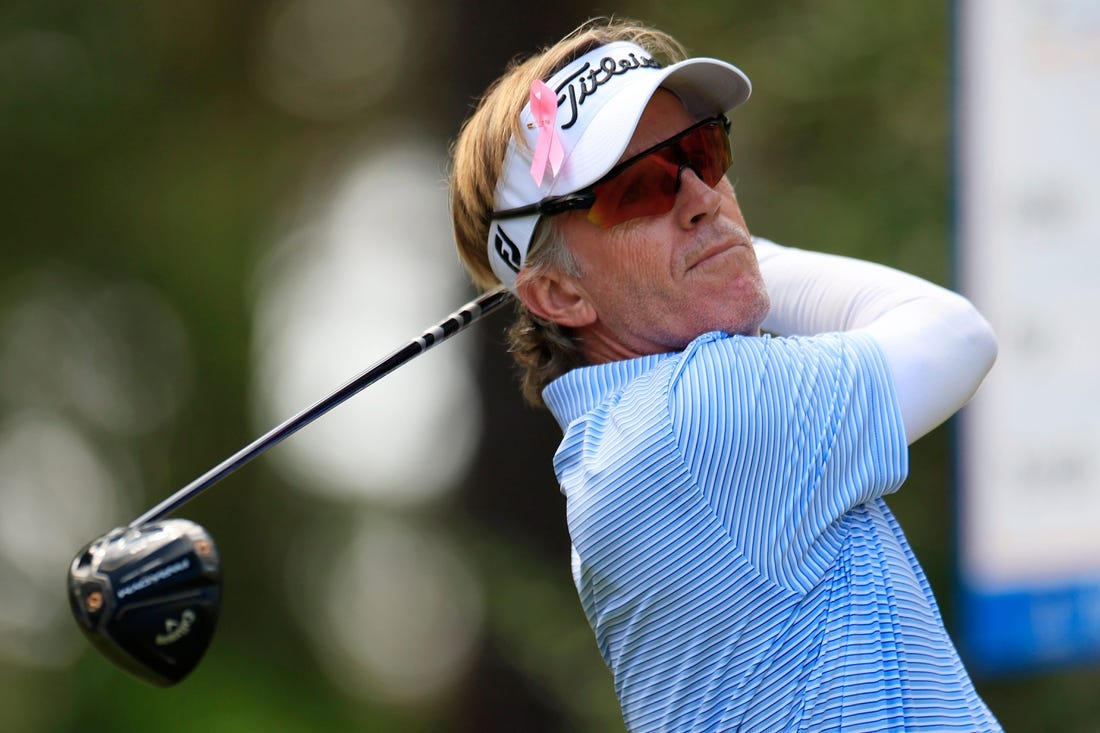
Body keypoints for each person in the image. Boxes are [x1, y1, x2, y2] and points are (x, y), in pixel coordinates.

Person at [449, 17, 1001, 733]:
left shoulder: (617, 448)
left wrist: (717, 253)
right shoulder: (698, 419)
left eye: (701, 152)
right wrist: (743, 253)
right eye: (639, 189)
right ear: (558, 295)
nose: (702, 197)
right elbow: (954, 335)